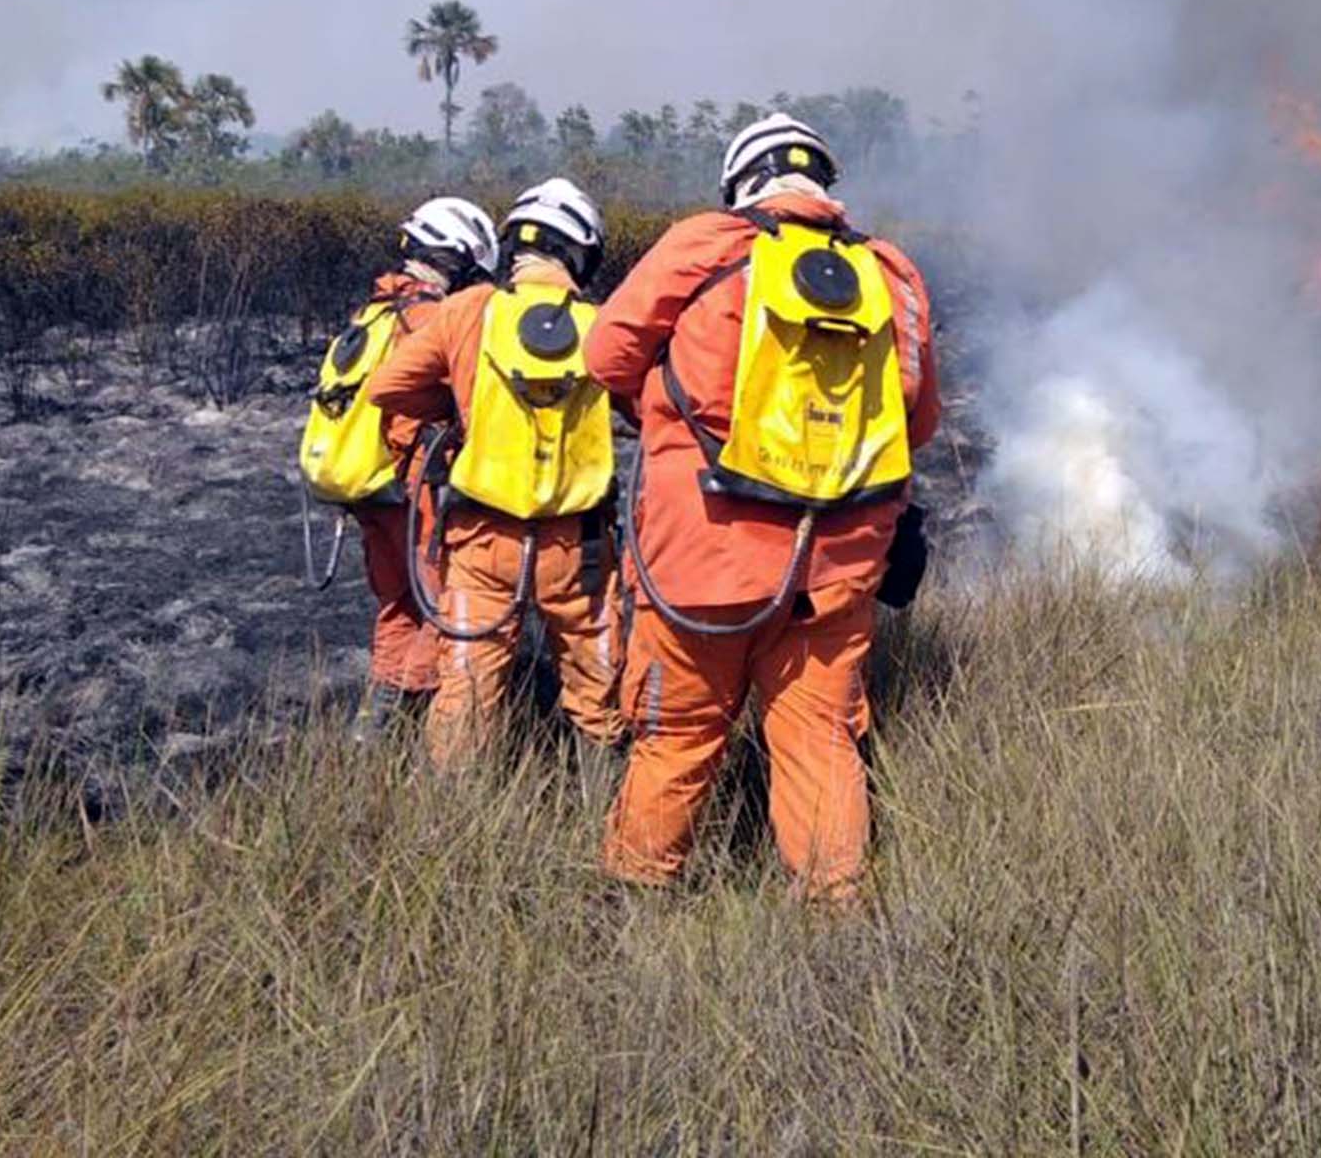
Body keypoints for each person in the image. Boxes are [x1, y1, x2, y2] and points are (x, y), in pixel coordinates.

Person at [589, 113, 939, 900]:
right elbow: (917, 419)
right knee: (819, 740)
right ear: (825, 184)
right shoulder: (894, 274)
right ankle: (836, 917)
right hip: (837, 567)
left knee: (677, 735)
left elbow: (606, 353)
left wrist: (661, 400)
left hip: (702, 559)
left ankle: (635, 902)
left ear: (742, 183)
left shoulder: (705, 244)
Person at [367, 178, 629, 769]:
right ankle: (600, 819)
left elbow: (389, 388)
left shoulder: (467, 310)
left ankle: (449, 827)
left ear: (514, 248)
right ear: (581, 253)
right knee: (597, 692)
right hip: (579, 549)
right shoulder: (604, 322)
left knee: (467, 693)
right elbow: (645, 401)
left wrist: (463, 408)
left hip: (482, 543)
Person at [347, 197, 498, 737]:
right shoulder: (434, 317)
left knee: (397, 608)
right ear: (456, 257)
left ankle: (370, 730)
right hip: (417, 492)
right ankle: (424, 735)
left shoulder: (372, 313)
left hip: (369, 488)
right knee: (442, 611)